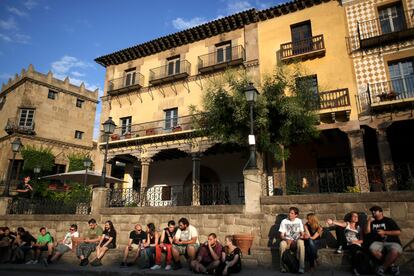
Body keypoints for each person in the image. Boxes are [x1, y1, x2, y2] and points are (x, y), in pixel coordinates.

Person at [365, 206, 402, 276]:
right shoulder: (372, 222)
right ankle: (391, 266)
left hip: (392, 241)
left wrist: (384, 232)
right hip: (378, 242)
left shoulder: (389, 220)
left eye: (375, 211)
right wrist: (368, 221)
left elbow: (398, 232)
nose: (373, 212)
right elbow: (366, 232)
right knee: (372, 248)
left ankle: (382, 268)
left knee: (394, 252)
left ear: (381, 212)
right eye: (372, 211)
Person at [279, 206, 305, 274]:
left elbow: (302, 233)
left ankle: (301, 268)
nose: (290, 214)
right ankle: (282, 267)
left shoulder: (299, 221)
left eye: (292, 213)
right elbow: (281, 235)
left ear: (296, 215)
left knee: (301, 243)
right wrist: (286, 239)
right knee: (282, 244)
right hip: (287, 241)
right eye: (289, 213)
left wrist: (301, 237)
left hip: (296, 240)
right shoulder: (284, 221)